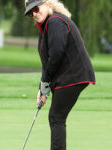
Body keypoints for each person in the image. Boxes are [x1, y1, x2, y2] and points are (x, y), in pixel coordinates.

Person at [24, 0, 96, 150]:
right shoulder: (45, 27)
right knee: (56, 117)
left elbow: (56, 54)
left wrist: (46, 82)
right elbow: (47, 61)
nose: (35, 14)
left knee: (56, 117)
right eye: (31, 13)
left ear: (47, 4)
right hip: (67, 77)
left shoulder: (55, 22)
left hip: (72, 76)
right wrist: (43, 88)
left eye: (36, 9)